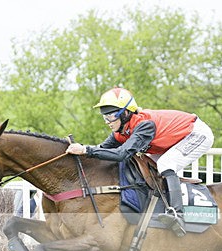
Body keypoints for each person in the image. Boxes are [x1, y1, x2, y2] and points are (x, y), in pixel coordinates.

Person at [66, 87, 214, 236]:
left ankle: (178, 215)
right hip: (174, 139)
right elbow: (101, 150)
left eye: (110, 116)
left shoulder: (144, 125)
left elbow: (121, 154)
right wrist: (79, 152)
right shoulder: (120, 131)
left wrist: (86, 150)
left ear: (125, 113)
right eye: (104, 117)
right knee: (149, 167)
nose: (107, 122)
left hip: (196, 133)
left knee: (166, 165)